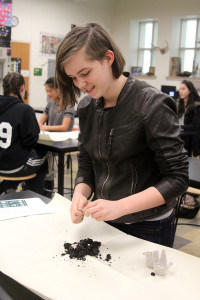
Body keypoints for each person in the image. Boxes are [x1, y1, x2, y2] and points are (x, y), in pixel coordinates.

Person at [56, 23, 189, 247]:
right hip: (106, 220)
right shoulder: (87, 106)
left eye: (85, 73)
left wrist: (119, 206)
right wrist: (80, 193)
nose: (80, 84)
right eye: (73, 78)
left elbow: (177, 179)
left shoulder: (151, 104)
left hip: (148, 224)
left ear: (108, 58)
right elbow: (87, 165)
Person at [0, 72, 47, 195]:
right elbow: (31, 140)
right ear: (22, 88)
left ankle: (9, 188)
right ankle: (35, 196)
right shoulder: (25, 110)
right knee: (44, 158)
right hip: (13, 166)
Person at [177, 80, 200, 157]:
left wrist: (178, 127)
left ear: (189, 90)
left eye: (183, 89)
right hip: (181, 137)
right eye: (180, 89)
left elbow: (195, 127)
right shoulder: (179, 104)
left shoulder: (197, 106)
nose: (180, 91)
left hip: (192, 140)